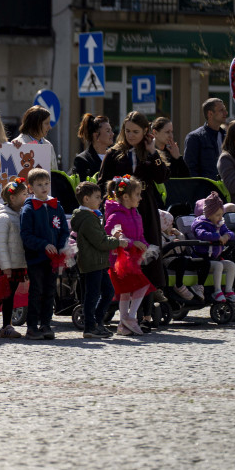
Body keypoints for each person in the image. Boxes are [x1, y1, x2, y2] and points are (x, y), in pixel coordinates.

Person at [98, 111, 170, 293]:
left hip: (145, 207)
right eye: (127, 131)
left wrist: (153, 152)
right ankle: (124, 297)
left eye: (135, 132)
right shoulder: (114, 153)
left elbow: (162, 177)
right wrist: (112, 203)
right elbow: (102, 183)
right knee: (127, 252)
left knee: (147, 251)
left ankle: (149, 301)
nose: (131, 135)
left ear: (146, 131)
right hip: (121, 210)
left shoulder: (150, 153)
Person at [71, 181, 125, 339]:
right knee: (93, 295)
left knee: (107, 292)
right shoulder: (87, 218)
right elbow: (100, 242)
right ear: (86, 199)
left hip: (98, 262)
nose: (100, 200)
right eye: (97, 197)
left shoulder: (91, 216)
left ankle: (97, 322)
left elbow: (99, 238)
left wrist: (111, 238)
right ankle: (90, 325)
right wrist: (117, 242)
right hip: (92, 262)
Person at [19, 168, 68, 340]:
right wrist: (44, 245)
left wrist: (60, 246)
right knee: (36, 290)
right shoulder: (29, 208)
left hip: (53, 259)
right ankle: (32, 326)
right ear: (30, 188)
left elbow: (64, 230)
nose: (44, 187)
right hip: (36, 258)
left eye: (46, 183)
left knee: (49, 291)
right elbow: (26, 235)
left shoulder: (56, 205)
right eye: (39, 185)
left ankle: (46, 324)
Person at [103, 177, 154, 336]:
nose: (140, 198)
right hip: (120, 261)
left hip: (133, 260)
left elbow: (140, 234)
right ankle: (130, 318)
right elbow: (113, 236)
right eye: (137, 194)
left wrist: (143, 243)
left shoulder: (135, 214)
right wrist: (133, 243)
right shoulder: (115, 216)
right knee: (142, 286)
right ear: (125, 197)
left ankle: (123, 324)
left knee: (126, 291)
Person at [0, 178, 27, 339]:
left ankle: (6, 325)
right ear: (12, 198)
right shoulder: (3, 217)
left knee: (10, 297)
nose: (26, 197)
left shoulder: (20, 215)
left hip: (17, 264)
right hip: (7, 266)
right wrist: (5, 266)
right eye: (23, 194)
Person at [190, 192, 235, 304]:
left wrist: (227, 236)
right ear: (209, 214)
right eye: (218, 215)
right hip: (202, 259)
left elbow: (230, 233)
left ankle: (229, 291)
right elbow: (202, 235)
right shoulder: (200, 224)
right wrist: (217, 237)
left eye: (222, 214)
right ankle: (217, 291)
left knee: (231, 265)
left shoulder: (220, 223)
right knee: (218, 265)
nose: (220, 217)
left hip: (214, 258)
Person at [183, 98, 228, 179]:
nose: (226, 113)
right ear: (210, 114)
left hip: (226, 189)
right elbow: (190, 169)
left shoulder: (226, 136)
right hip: (206, 189)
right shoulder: (195, 138)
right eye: (221, 110)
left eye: (225, 110)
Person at [13, 106, 59, 171]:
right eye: (46, 123)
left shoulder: (49, 145)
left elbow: (54, 173)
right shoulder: (17, 144)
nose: (50, 127)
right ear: (35, 124)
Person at [72, 114, 113, 180]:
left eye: (111, 130)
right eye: (108, 131)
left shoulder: (115, 156)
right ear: (96, 135)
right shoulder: (82, 160)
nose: (112, 134)